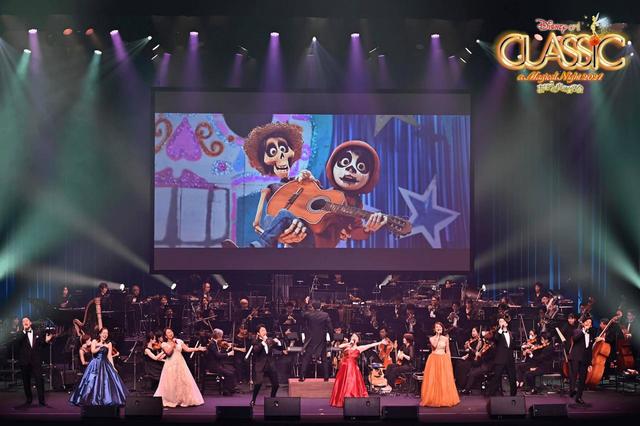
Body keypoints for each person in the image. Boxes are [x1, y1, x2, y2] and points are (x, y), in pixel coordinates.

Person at [70, 327, 128, 406]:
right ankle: (89, 399)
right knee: (91, 381)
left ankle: (106, 399)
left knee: (105, 382)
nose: (105, 335)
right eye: (103, 333)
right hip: (95, 363)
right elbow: (93, 351)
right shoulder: (94, 341)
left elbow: (109, 356)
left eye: (106, 333)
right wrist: (101, 346)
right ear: (100, 334)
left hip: (105, 363)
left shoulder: (109, 344)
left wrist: (113, 367)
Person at [330, 333, 386, 407]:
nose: (353, 338)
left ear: (358, 340)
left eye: (355, 337)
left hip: (352, 369)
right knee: (342, 384)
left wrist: (380, 342)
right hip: (344, 368)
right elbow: (339, 346)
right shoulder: (347, 346)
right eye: (352, 336)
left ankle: (351, 400)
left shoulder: (359, 348)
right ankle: (341, 400)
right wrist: (349, 343)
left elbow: (370, 345)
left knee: (351, 384)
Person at [154, 327, 206, 408]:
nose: (170, 333)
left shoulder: (179, 341)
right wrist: (172, 344)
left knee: (183, 381)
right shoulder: (164, 344)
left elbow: (187, 349)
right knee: (171, 382)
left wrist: (198, 349)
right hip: (170, 365)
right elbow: (168, 353)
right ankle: (172, 399)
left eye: (171, 331)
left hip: (180, 363)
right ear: (166, 336)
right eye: (168, 333)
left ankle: (182, 399)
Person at [420, 322, 460, 407]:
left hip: (443, 359)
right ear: (434, 329)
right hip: (434, 359)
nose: (439, 328)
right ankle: (433, 398)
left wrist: (449, 361)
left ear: (442, 328)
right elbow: (434, 346)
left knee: (443, 379)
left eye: (440, 327)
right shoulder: (431, 338)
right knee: (434, 379)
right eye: (437, 327)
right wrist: (438, 336)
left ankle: (444, 398)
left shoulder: (445, 338)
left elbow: (448, 350)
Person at [16, 317, 53, 407]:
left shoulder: (37, 333)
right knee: (26, 381)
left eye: (27, 320)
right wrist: (24, 331)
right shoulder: (20, 334)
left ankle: (42, 401)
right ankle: (29, 400)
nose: (25, 322)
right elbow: (18, 342)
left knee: (39, 380)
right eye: (23, 321)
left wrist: (46, 341)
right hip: (25, 361)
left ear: (30, 323)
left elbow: (41, 345)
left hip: (36, 361)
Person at [568, 317, 602, 405]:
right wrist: (583, 331)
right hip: (575, 357)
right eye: (587, 322)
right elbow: (575, 339)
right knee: (573, 375)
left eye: (590, 322)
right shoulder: (577, 331)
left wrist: (590, 363)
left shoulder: (591, 335)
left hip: (584, 359)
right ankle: (572, 390)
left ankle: (579, 397)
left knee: (583, 379)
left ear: (591, 325)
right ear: (583, 323)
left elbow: (590, 350)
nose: (588, 323)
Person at [249, 325, 285, 406]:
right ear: (258, 333)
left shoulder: (270, 340)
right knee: (258, 383)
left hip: (270, 364)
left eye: (265, 330)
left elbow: (280, 348)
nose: (264, 332)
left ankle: (272, 400)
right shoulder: (255, 341)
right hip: (260, 365)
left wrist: (278, 342)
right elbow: (256, 350)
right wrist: (263, 342)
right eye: (262, 330)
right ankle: (253, 400)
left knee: (276, 384)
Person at [299, 298, 333, 382]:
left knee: (306, 358)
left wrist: (305, 304)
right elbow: (330, 328)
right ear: (320, 306)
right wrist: (332, 338)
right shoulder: (325, 315)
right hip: (321, 339)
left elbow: (302, 314)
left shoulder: (309, 314)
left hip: (311, 339)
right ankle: (326, 377)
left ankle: (302, 376)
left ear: (313, 307)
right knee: (324, 358)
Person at [487, 316, 517, 396]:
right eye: (500, 322)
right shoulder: (498, 333)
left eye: (502, 321)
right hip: (500, 359)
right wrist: (500, 328)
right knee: (496, 377)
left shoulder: (511, 333)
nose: (501, 323)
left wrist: (522, 347)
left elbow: (513, 346)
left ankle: (513, 396)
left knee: (512, 377)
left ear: (506, 323)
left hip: (510, 359)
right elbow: (496, 339)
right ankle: (491, 395)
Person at [207, 328, 238, 395]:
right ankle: (227, 390)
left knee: (232, 370)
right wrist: (229, 354)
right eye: (221, 335)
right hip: (214, 366)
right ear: (218, 335)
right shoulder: (212, 344)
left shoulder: (214, 343)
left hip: (217, 364)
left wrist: (227, 349)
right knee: (229, 373)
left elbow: (218, 353)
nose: (222, 337)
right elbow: (218, 355)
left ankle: (230, 388)